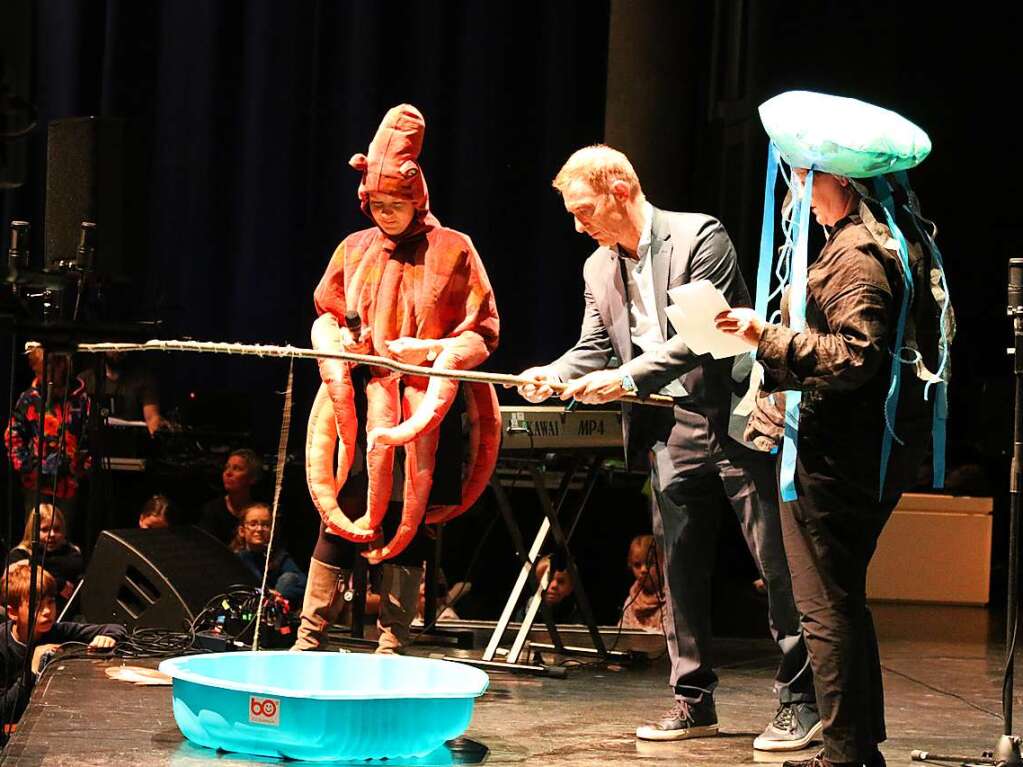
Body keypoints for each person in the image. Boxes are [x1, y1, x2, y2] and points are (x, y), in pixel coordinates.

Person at [512, 145, 817, 749]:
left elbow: (701, 339)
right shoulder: (597, 268)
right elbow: (595, 348)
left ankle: (801, 702)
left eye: (585, 209)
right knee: (676, 567)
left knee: (773, 565)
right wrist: (554, 372)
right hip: (666, 427)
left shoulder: (700, 236)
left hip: (732, 419)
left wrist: (624, 380)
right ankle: (692, 702)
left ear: (620, 189)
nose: (579, 225)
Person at [716, 169, 937, 767]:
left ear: (840, 178)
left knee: (825, 604)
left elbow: (856, 357)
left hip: (839, 453)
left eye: (807, 184)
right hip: (863, 449)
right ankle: (856, 747)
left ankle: (843, 753)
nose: (799, 202)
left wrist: (769, 338)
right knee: (841, 597)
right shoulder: (893, 240)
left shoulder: (858, 253)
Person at [293, 104, 499, 656]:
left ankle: (393, 639)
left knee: (412, 522)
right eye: (376, 205)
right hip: (358, 407)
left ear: (417, 199)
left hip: (422, 409)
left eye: (396, 205)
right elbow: (330, 312)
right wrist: (340, 343)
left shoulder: (454, 249)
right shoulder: (353, 249)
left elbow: (481, 329)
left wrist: (432, 350)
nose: (386, 215)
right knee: (339, 515)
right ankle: (310, 635)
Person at [0, 566, 125, 726]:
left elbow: (115, 628)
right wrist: (32, 668)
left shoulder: (56, 630)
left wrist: (108, 637)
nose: (47, 611)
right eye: (36, 606)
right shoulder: (3, 645)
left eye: (50, 602)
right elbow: (5, 712)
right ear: (12, 612)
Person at [4, 346, 91, 522]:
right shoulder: (29, 399)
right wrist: (28, 466)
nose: (46, 377)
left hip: (69, 484)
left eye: (51, 371)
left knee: (63, 533)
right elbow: (13, 435)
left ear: (62, 366)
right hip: (35, 485)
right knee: (35, 531)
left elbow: (91, 437)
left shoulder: (81, 400)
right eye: (41, 372)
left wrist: (81, 467)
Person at [5, 504, 84, 608]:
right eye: (45, 530)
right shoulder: (20, 554)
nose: (52, 534)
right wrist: (58, 583)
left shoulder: (72, 552)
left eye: (57, 529)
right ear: (32, 531)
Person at [234, 503, 307, 607]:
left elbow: (301, 581)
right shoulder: (236, 558)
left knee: (289, 578)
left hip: (273, 606)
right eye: (253, 524)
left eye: (265, 525)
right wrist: (265, 593)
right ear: (242, 531)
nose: (259, 529)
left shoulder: (279, 556)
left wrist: (279, 595)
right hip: (246, 606)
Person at [77, 351, 167, 435]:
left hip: (132, 444)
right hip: (94, 446)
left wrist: (158, 426)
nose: (117, 350)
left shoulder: (142, 379)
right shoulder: (85, 380)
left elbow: (151, 417)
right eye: (113, 344)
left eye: (121, 346)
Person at [197, 449, 261, 547]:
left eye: (237, 468)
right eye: (226, 468)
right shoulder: (212, 509)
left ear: (253, 478)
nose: (228, 473)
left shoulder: (262, 512)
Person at [621, 534, 664, 632]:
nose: (643, 570)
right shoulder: (631, 601)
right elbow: (622, 637)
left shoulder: (671, 601)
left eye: (649, 563)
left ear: (663, 563)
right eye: (637, 565)